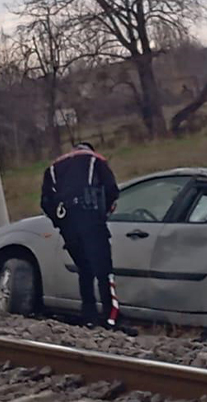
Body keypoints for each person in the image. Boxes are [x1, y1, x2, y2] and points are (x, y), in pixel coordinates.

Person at [40, 143, 135, 335]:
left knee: (85, 270)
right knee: (103, 270)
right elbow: (111, 190)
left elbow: (45, 202)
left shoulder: (53, 168)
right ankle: (111, 317)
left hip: (68, 224)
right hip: (91, 218)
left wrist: (60, 222)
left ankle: (89, 317)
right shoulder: (96, 160)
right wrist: (102, 214)